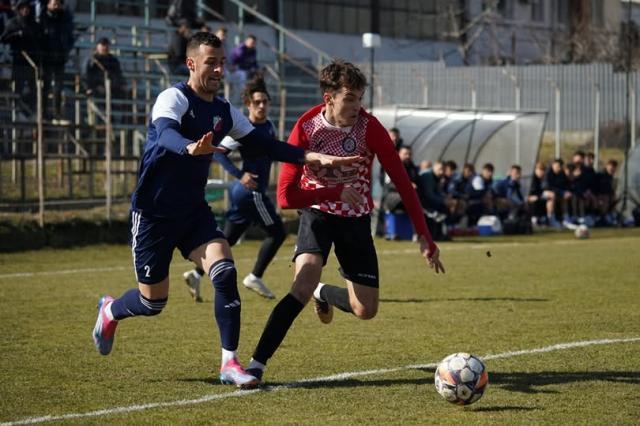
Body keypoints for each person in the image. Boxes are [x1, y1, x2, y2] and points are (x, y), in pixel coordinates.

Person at [91, 33, 359, 388]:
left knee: (224, 270)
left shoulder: (223, 110)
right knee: (152, 303)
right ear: (191, 64)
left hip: (193, 213)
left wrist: (310, 156)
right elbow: (165, 132)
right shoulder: (173, 97)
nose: (218, 69)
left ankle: (229, 363)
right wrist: (189, 148)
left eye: (221, 63)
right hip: (154, 214)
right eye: (210, 63)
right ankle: (110, 311)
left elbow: (263, 143)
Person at [242, 60, 445, 386]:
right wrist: (334, 189)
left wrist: (425, 236)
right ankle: (255, 365)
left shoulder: (370, 128)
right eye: (350, 98)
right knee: (302, 283)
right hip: (317, 213)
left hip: (356, 220)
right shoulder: (307, 127)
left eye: (360, 98)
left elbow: (403, 183)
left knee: (365, 309)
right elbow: (284, 197)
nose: (357, 106)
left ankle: (323, 292)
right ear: (329, 98)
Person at [182, 77, 284, 301]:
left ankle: (196, 274)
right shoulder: (241, 129)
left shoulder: (269, 126)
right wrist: (241, 175)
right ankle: (255, 276)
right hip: (251, 192)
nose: (262, 106)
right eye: (257, 102)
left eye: (265, 101)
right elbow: (218, 152)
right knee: (278, 233)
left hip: (245, 195)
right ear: (248, 105)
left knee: (227, 238)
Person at [0, 0, 42, 114]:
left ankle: (31, 110)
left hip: (32, 61)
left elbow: (40, 41)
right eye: (22, 8)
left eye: (27, 8)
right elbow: (4, 38)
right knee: (17, 86)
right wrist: (16, 35)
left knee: (33, 87)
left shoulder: (35, 25)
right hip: (17, 60)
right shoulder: (13, 23)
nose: (25, 10)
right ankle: (16, 109)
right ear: (19, 10)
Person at [40, 0, 74, 121]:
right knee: (46, 86)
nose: (56, 6)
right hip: (46, 58)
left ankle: (57, 112)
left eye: (58, 4)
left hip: (60, 58)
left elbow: (69, 37)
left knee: (58, 87)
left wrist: (66, 50)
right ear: (48, 4)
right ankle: (43, 112)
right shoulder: (42, 18)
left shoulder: (64, 19)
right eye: (54, 4)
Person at [228, 34, 258, 103]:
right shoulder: (241, 48)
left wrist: (256, 69)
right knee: (242, 75)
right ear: (246, 41)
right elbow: (240, 62)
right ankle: (244, 93)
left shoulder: (253, 50)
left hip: (243, 71)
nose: (252, 44)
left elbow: (254, 63)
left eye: (254, 43)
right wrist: (251, 69)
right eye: (251, 42)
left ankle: (247, 96)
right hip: (232, 71)